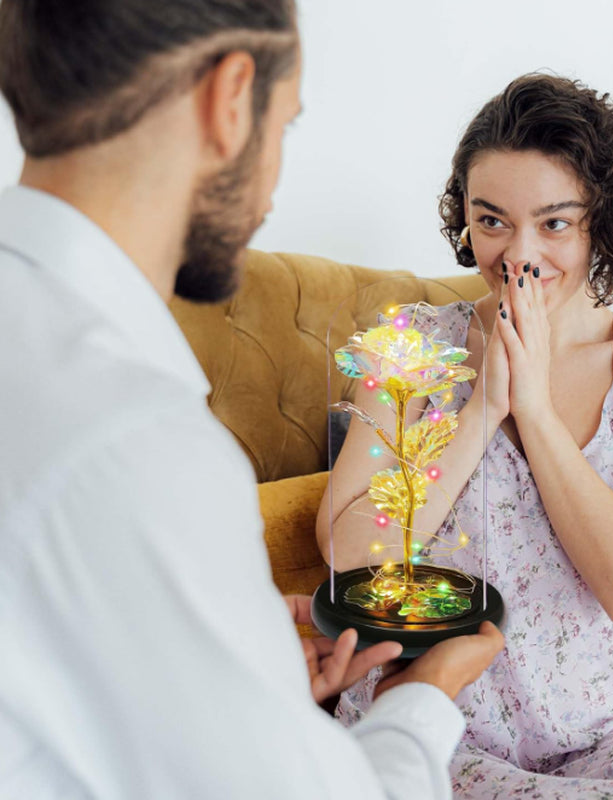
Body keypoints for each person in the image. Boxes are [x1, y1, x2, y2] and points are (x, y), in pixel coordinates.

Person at [0, 1, 504, 797]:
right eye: (286, 125)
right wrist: (418, 702)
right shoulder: (135, 440)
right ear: (231, 99)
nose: (273, 179)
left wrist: (235, 691)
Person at [319, 74, 613, 798]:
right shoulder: (412, 347)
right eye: (492, 221)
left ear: (602, 223)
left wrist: (536, 412)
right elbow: (349, 553)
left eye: (554, 224)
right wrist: (482, 410)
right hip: (432, 719)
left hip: (602, 731)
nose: (518, 254)